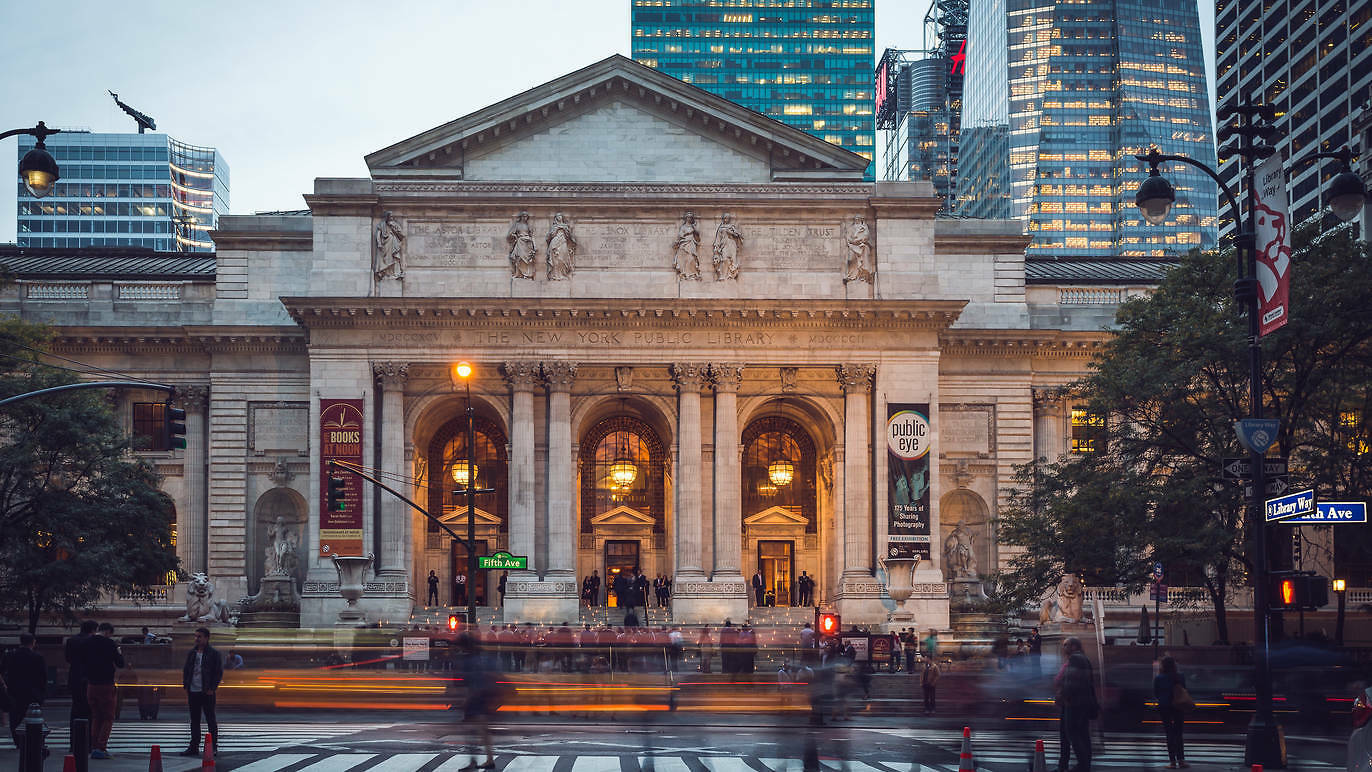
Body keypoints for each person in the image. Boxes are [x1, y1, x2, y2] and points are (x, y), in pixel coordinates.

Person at [1054, 637, 1098, 772]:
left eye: (1066, 645)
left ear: (1074, 646)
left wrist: (1062, 695)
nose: (1064, 647)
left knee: (1074, 734)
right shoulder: (1083, 658)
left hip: (1074, 703)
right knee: (1082, 734)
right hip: (1081, 703)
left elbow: (1072, 681)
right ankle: (1082, 765)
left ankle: (1083, 765)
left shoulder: (1075, 659)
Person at [179, 627, 223, 758]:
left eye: (199, 636)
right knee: (194, 720)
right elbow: (186, 669)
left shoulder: (214, 653)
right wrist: (186, 685)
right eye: (195, 636)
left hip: (207, 691)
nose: (196, 639)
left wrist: (212, 688)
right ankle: (194, 746)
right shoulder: (192, 653)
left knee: (210, 720)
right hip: (193, 690)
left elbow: (218, 672)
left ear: (206, 638)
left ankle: (213, 747)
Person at [82, 622, 124, 759]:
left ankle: (94, 747)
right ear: (107, 632)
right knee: (108, 717)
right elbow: (120, 663)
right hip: (106, 684)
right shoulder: (110, 644)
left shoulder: (86, 643)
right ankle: (101, 747)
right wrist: (118, 651)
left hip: (91, 684)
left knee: (96, 717)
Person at [3, 633, 46, 751]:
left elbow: (5, 672)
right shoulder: (37, 657)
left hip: (14, 691)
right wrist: (41, 693)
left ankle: (18, 741)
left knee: (15, 717)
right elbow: (42, 677)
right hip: (32, 691)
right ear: (33, 642)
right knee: (32, 717)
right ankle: (31, 740)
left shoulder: (10, 655)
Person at [65, 620, 97, 750]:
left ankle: (74, 743)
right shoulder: (93, 641)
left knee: (75, 710)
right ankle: (88, 743)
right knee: (90, 711)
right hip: (89, 678)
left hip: (74, 677)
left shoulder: (71, 640)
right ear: (93, 629)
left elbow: (68, 658)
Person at [1154, 655, 1189, 768]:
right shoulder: (1180, 676)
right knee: (1178, 733)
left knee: (1169, 733)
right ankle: (1181, 760)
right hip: (1178, 706)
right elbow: (1184, 689)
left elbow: (1156, 693)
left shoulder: (1159, 678)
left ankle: (1172, 762)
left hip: (1164, 707)